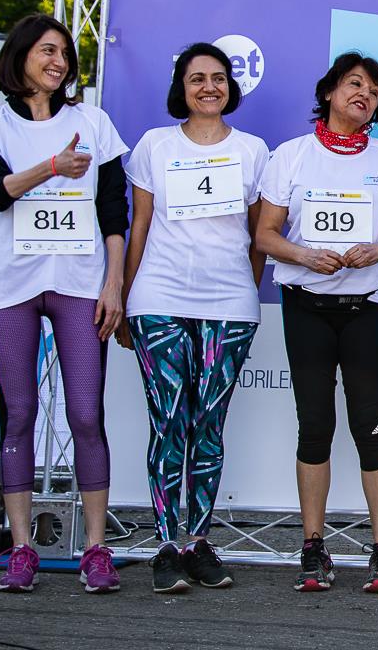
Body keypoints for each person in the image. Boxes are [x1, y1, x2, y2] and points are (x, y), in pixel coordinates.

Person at [0, 13, 129, 594]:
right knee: (20, 415)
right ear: (20, 57)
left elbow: (114, 210)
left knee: (85, 414)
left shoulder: (92, 121)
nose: (58, 62)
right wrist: (52, 167)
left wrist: (114, 284)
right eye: (46, 51)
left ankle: (96, 549)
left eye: (64, 52)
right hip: (12, 286)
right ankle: (22, 548)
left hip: (80, 285)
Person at [255, 52, 378, 595]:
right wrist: (304, 256)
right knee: (314, 424)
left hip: (367, 304)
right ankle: (313, 546)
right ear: (328, 91)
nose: (364, 95)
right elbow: (265, 235)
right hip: (306, 303)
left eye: (374, 92)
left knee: (370, 423)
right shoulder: (290, 155)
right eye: (354, 84)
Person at [117, 42, 269, 593]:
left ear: (231, 87)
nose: (209, 87)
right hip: (158, 298)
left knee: (208, 425)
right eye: (197, 78)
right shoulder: (154, 145)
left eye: (219, 78)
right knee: (168, 421)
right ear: (181, 88)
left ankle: (198, 543)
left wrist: (244, 288)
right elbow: (139, 226)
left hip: (228, 305)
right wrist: (124, 298)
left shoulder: (253, 150)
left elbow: (258, 234)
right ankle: (164, 544)